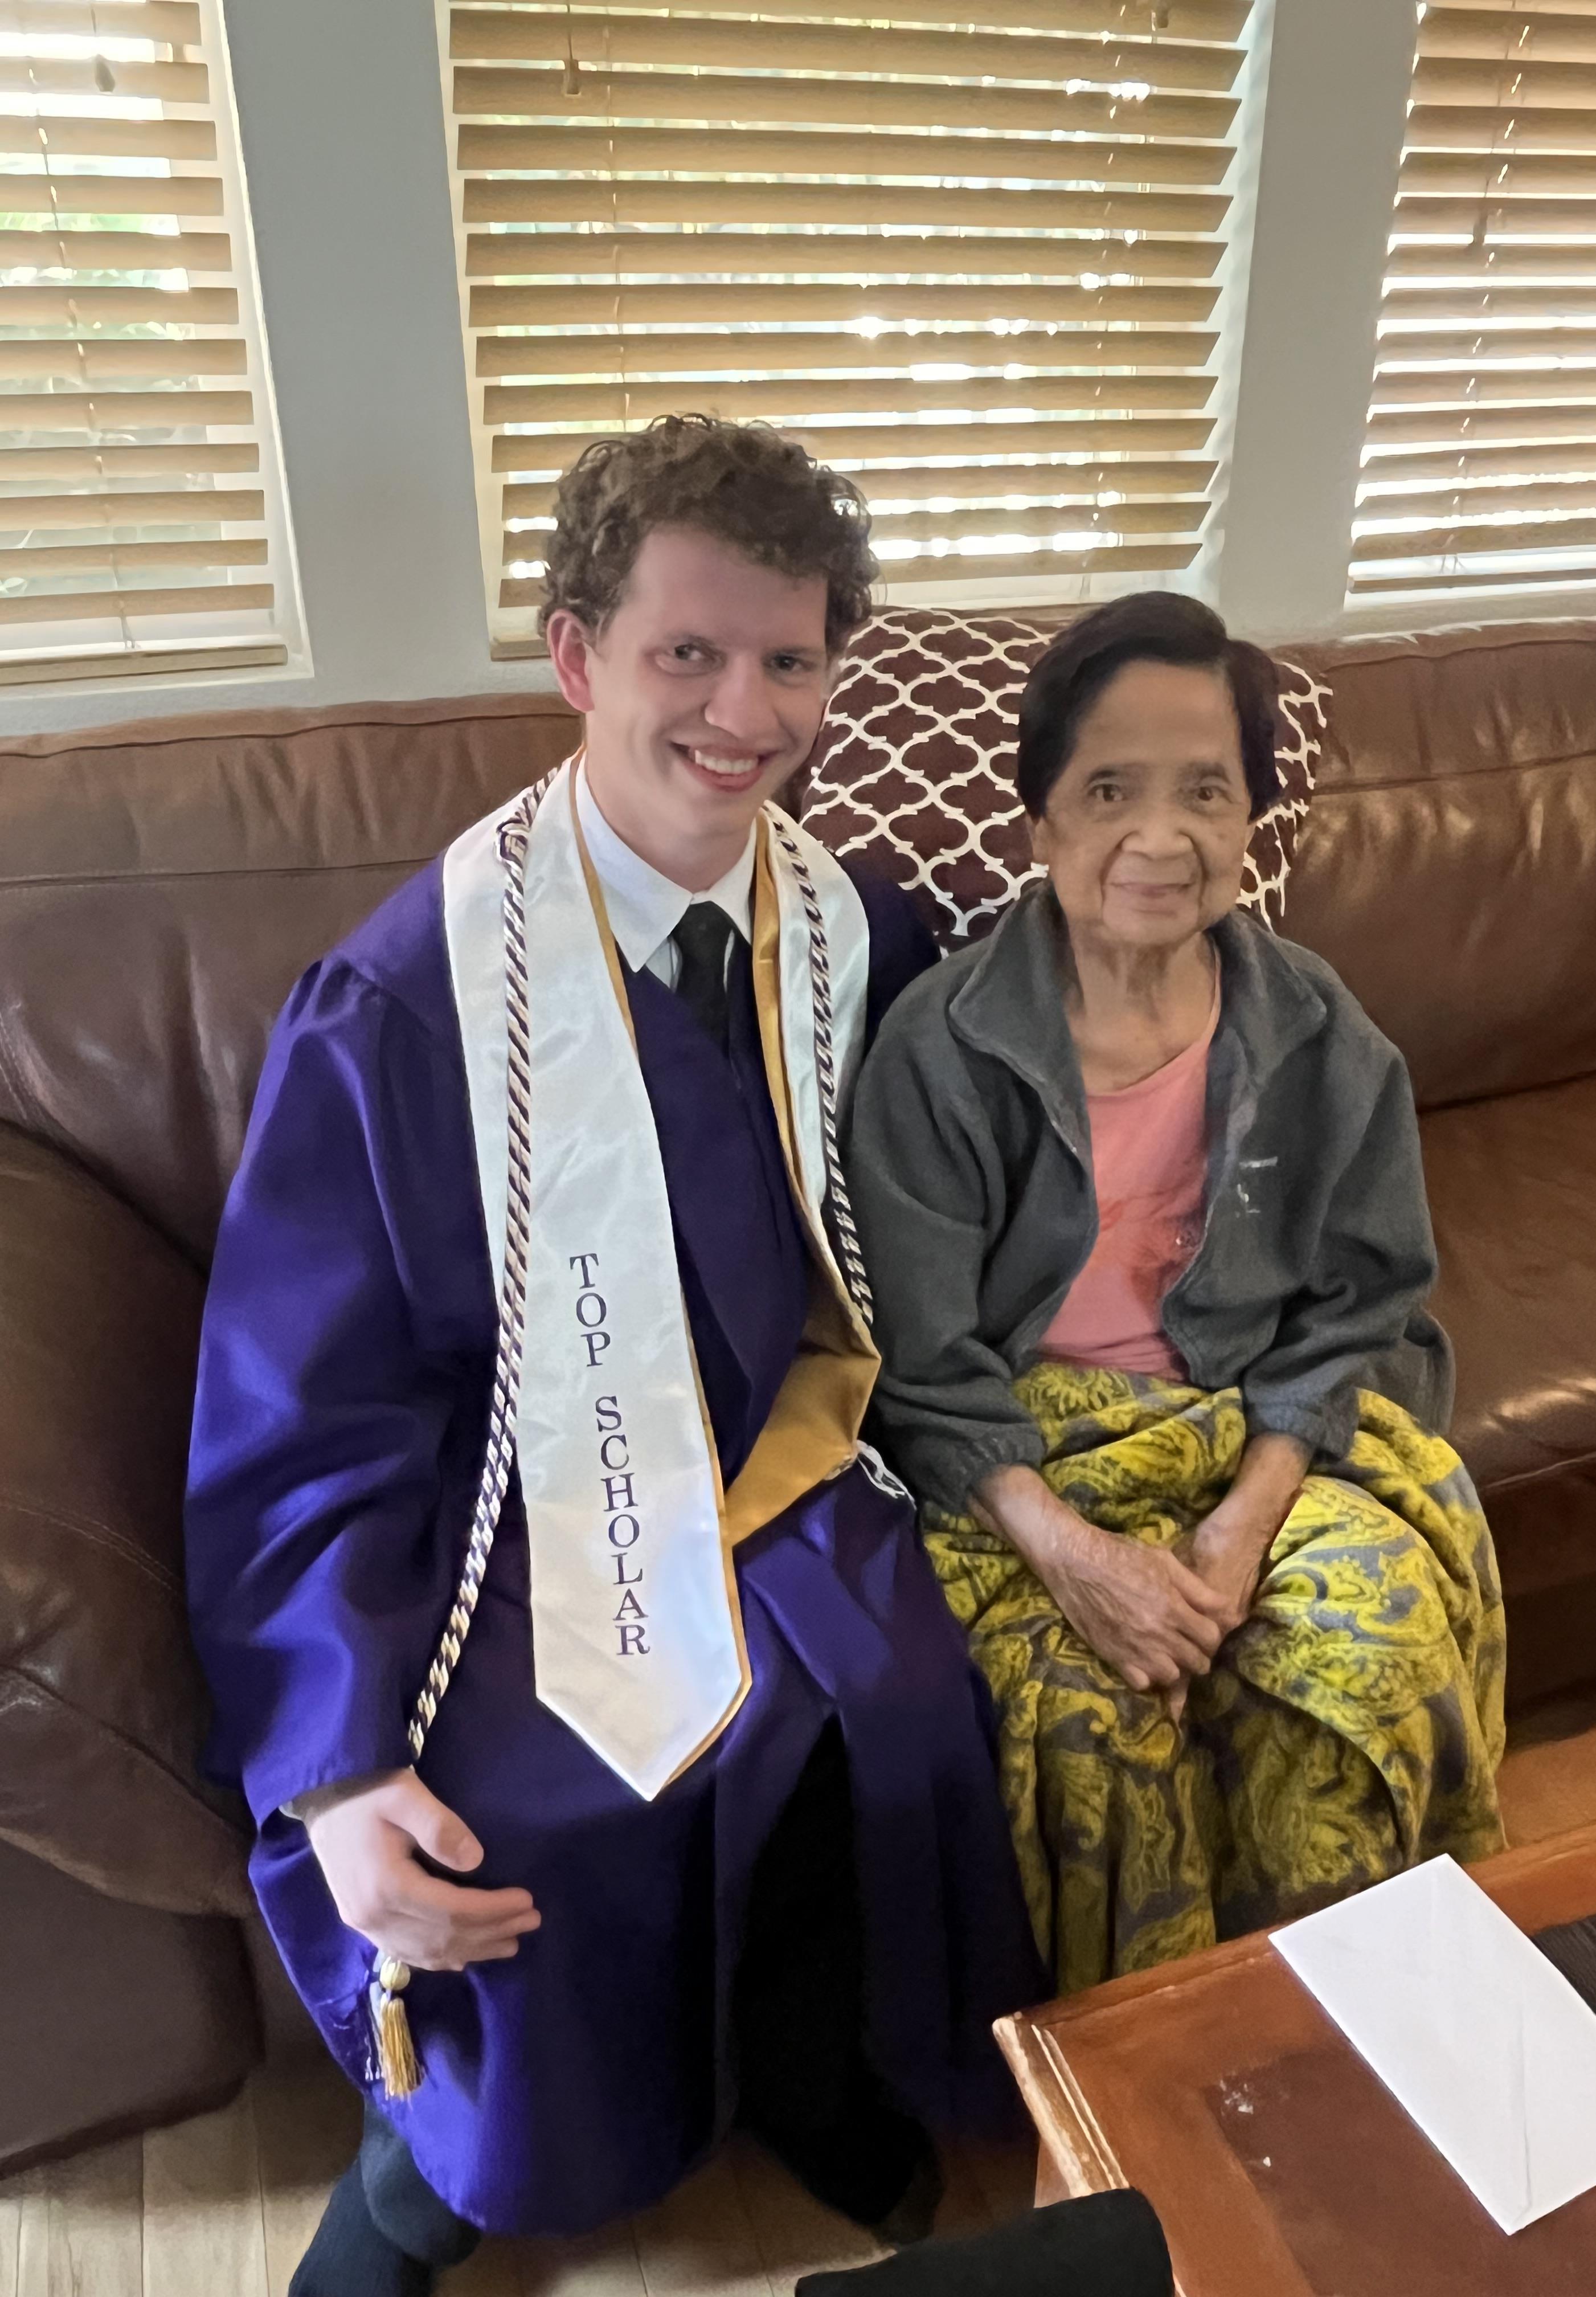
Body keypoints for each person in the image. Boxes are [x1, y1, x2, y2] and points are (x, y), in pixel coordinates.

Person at [183, 414, 1041, 2295]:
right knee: (547, 1789)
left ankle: (813, 2068)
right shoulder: (407, 1001)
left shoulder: (846, 930)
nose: (745, 711)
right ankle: (439, 2178)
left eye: (791, 660)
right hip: (500, 1502)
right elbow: (304, 1405)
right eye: (687, 653)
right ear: (576, 656)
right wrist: (331, 1767)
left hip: (783, 1467)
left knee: (895, 1701)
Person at [846, 591, 1506, 1998]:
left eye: (1207, 789)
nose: (1161, 835)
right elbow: (919, 1363)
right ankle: (1147, 2094)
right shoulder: (940, 1048)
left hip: (1254, 1431)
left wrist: (1237, 1532)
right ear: (1042, 827)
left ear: (1252, 818)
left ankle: (1358, 2036)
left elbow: (1361, 1304)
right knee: (1095, 1719)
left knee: (1371, 1642)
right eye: (1108, 791)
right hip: (1022, 1470)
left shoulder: (1319, 1031)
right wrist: (1080, 1562)